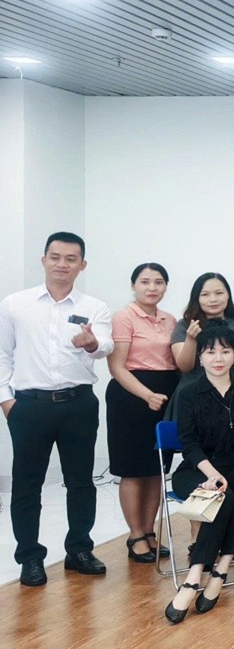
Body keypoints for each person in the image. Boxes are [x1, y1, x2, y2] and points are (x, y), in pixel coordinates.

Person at [0, 232, 114, 587]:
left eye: (70, 258)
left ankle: (79, 550)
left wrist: (92, 343)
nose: (62, 264)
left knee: (81, 481)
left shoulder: (95, 307)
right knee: (27, 484)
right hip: (29, 405)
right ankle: (30, 557)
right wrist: (7, 401)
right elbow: (2, 353)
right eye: (55, 257)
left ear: (82, 265)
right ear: (44, 260)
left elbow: (105, 345)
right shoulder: (16, 304)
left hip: (78, 404)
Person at [162, 324, 234, 623]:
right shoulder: (189, 393)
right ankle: (194, 576)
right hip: (196, 468)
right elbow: (189, 444)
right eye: (210, 352)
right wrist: (211, 474)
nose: (218, 358)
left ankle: (222, 568)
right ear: (200, 357)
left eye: (225, 351)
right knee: (223, 495)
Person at [105, 262, 181, 564]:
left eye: (159, 282)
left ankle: (150, 531)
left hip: (166, 395)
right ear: (133, 285)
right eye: (145, 281)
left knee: (157, 468)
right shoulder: (123, 317)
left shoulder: (170, 319)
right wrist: (146, 394)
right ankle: (135, 534)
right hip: (131, 397)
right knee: (133, 469)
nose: (152, 287)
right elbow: (117, 367)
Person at [170, 273, 234, 417]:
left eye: (219, 293)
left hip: (228, 396)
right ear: (197, 298)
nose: (213, 299)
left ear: (228, 295)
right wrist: (191, 339)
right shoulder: (185, 325)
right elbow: (184, 366)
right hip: (191, 397)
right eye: (205, 294)